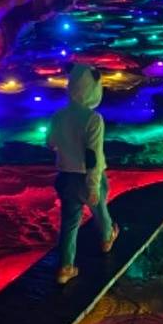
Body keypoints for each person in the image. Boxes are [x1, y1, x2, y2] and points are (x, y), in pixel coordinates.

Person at [48, 63, 119, 285]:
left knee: (69, 224)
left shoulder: (58, 116)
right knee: (100, 210)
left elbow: (50, 143)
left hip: (66, 178)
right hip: (86, 177)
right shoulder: (93, 119)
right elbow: (92, 156)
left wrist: (66, 147)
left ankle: (65, 268)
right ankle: (107, 239)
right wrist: (93, 186)